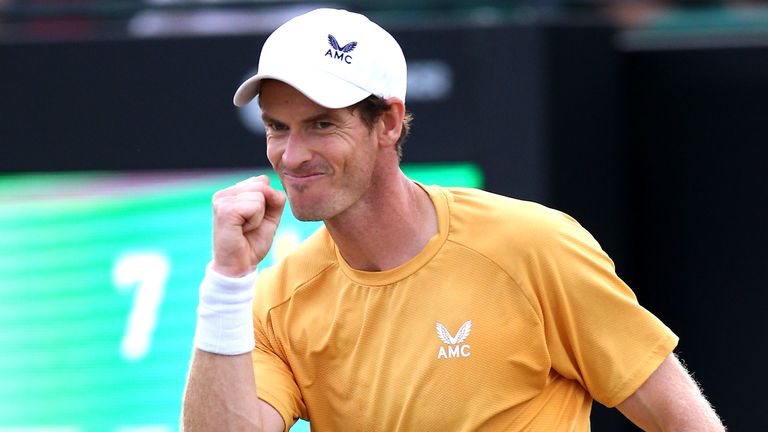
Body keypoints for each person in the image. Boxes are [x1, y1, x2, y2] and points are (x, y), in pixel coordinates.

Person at [181, 8, 725, 432]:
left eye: (322, 125)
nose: (292, 155)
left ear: (389, 122)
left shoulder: (532, 246)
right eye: (278, 127)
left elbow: (678, 419)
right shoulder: (273, 299)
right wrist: (227, 281)